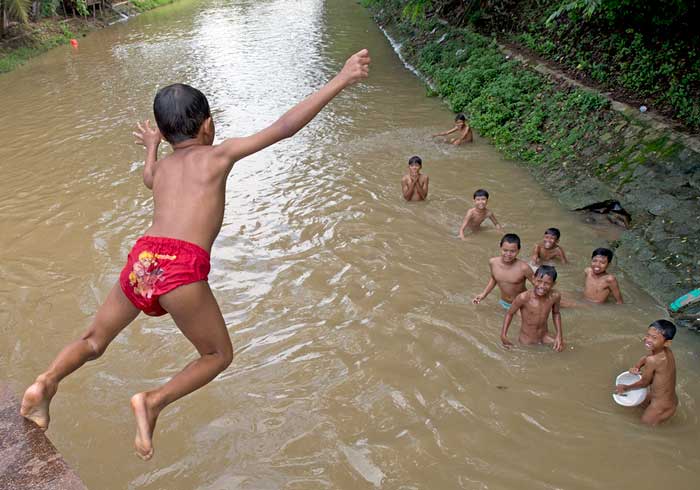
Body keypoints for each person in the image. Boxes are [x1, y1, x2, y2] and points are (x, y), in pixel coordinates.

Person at [20, 49, 372, 460]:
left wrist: (151, 148)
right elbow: (285, 127)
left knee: (94, 339)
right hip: (181, 268)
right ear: (209, 125)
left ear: (166, 135)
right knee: (217, 354)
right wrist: (341, 79)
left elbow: (149, 177)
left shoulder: (164, 168)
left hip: (145, 259)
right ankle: (152, 402)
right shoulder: (218, 155)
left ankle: (45, 383)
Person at [616, 320, 678, 425]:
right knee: (640, 407)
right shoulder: (666, 351)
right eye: (648, 335)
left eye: (654, 338)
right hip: (667, 399)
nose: (648, 340)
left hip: (660, 406)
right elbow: (648, 358)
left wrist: (625, 387)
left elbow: (644, 383)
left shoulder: (653, 360)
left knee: (643, 428)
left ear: (667, 342)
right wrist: (638, 366)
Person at [500, 265, 564, 352]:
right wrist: (503, 335)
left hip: (544, 336)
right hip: (527, 339)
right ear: (533, 279)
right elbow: (509, 313)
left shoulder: (555, 296)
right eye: (539, 281)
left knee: (562, 348)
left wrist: (559, 335)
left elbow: (556, 313)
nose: (542, 286)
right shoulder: (523, 297)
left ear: (553, 284)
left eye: (547, 283)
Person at [473, 233, 534, 310]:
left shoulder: (524, 268)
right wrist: (484, 294)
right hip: (503, 302)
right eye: (505, 250)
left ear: (518, 251)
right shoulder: (493, 262)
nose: (508, 254)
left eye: (512, 251)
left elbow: (537, 285)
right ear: (500, 247)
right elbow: (494, 279)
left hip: (520, 305)